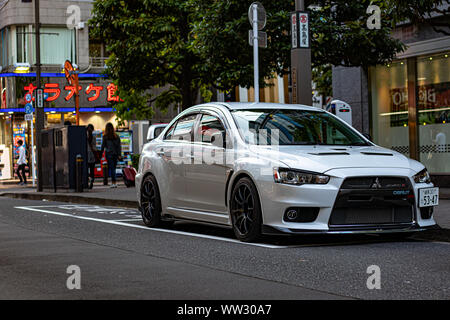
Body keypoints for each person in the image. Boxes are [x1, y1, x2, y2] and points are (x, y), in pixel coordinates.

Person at [101, 123, 121, 188]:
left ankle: (113, 182)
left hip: (109, 154)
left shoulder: (105, 137)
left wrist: (100, 155)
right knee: (114, 168)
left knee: (112, 168)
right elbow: (119, 146)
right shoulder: (116, 136)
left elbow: (103, 146)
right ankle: (114, 182)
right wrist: (119, 154)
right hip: (115, 154)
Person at [86, 124, 97, 189]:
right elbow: (95, 147)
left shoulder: (85, 138)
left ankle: (87, 181)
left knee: (86, 169)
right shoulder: (94, 138)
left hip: (86, 155)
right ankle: (92, 181)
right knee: (92, 170)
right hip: (92, 155)